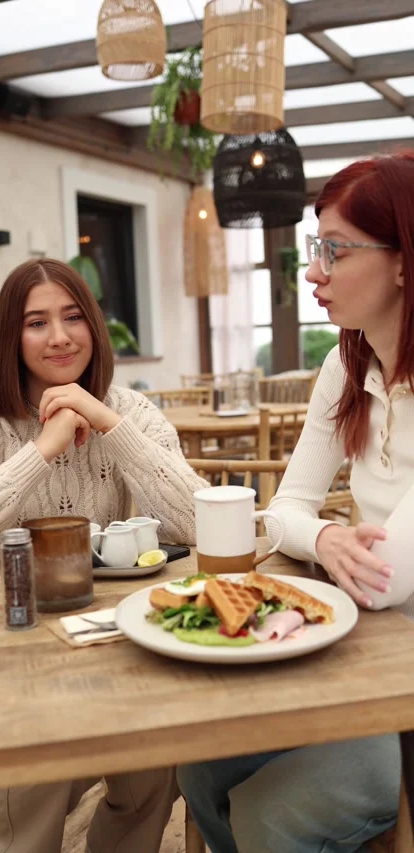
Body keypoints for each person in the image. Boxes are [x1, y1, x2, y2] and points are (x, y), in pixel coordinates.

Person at [178, 150, 414, 853]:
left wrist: (332, 542)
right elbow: (283, 507)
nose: (311, 272)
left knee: (268, 817)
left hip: (393, 655)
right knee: (196, 767)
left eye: (334, 251)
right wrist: (326, 540)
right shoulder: (344, 364)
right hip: (364, 635)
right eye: (316, 249)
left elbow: (389, 577)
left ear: (404, 261)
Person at [0, 257, 208, 853]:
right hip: (14, 657)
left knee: (152, 775)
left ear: (94, 327)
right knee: (33, 788)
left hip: (120, 648)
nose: (59, 336)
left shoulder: (130, 411)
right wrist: (44, 448)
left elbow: (200, 521)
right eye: (36, 322)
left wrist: (106, 420)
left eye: (73, 317)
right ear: (12, 333)